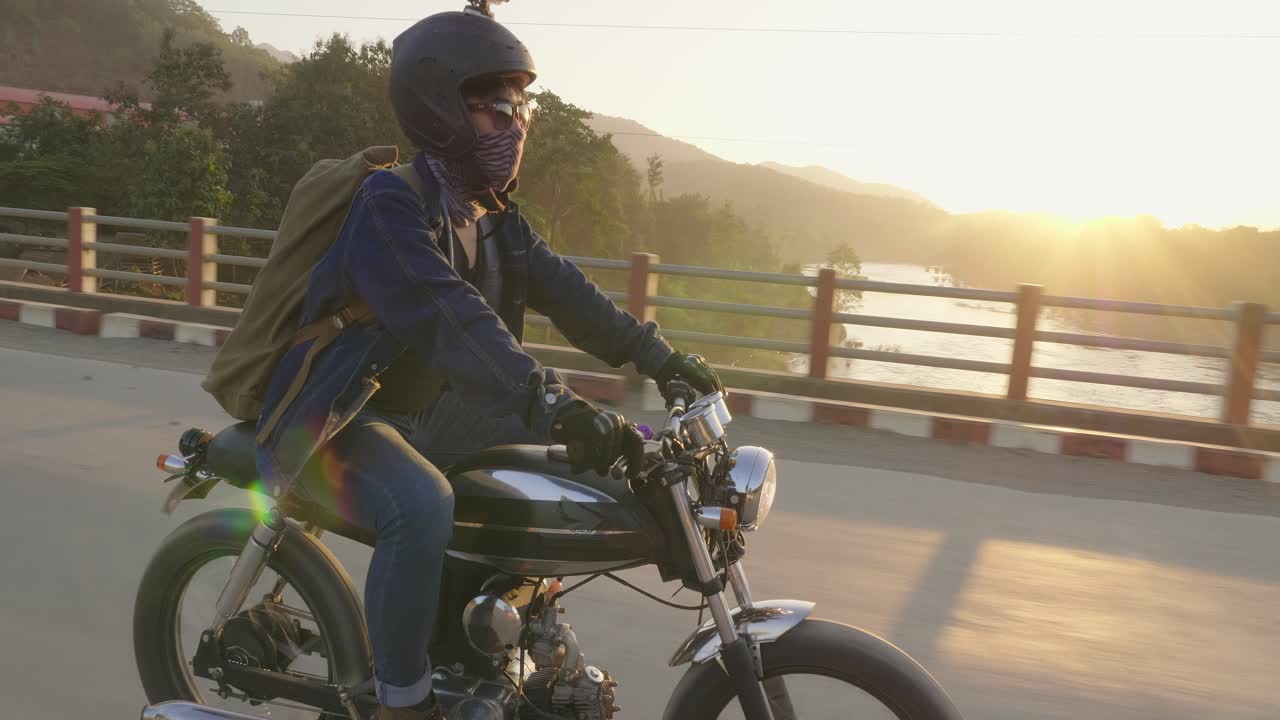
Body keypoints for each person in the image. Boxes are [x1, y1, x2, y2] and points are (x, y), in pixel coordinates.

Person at [251, 5, 722, 719]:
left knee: (567, 475)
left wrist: (658, 357)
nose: (518, 122)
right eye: (496, 106)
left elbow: (571, 293)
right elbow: (453, 323)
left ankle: (486, 629)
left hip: (422, 411)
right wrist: (554, 399)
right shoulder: (390, 205)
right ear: (440, 109)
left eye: (521, 104)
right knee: (421, 503)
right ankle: (402, 700)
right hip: (341, 410)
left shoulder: (492, 215)